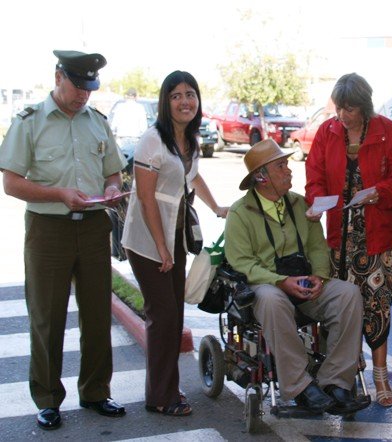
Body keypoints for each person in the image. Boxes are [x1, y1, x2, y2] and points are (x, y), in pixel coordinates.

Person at [0, 50, 127, 430]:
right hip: (48, 229)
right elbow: (11, 182)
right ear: (58, 77)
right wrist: (59, 194)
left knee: (96, 315)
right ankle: (48, 399)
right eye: (77, 86)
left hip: (92, 227)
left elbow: (113, 173)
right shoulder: (29, 121)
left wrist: (111, 189)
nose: (84, 95)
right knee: (47, 317)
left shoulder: (97, 122)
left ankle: (95, 392)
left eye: (90, 88)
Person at [224, 139, 369, 416]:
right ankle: (300, 387)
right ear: (261, 177)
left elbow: (317, 246)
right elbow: (242, 263)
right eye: (281, 166)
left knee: (348, 294)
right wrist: (280, 281)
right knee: (270, 298)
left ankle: (335, 382)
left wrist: (319, 276)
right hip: (268, 286)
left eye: (287, 164)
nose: (289, 171)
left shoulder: (300, 205)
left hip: (304, 283)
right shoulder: (240, 214)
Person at [121, 71, 227, 416]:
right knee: (163, 315)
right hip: (147, 240)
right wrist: (161, 248)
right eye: (176, 95)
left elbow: (193, 175)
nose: (185, 101)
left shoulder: (190, 140)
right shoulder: (153, 139)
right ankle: (161, 396)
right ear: (166, 102)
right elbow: (147, 199)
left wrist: (217, 208)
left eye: (190, 94)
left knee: (173, 314)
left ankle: (165, 388)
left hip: (175, 237)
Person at [305, 73, 392, 407]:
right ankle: (344, 373)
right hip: (338, 239)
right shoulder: (328, 131)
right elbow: (315, 176)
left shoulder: (388, 131)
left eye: (349, 109)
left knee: (377, 308)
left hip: (376, 238)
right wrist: (318, 202)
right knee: (339, 309)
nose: (343, 116)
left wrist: (377, 193)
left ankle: (380, 377)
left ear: (364, 106)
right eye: (340, 108)